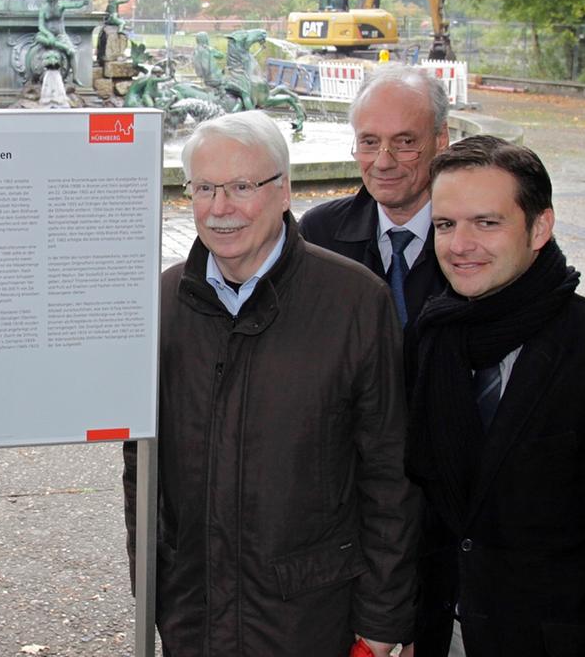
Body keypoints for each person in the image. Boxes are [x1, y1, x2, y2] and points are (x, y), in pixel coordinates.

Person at [122, 110, 418, 655]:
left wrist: (381, 622)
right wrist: (154, 589)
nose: (219, 208)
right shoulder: (160, 303)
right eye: (204, 188)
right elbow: (142, 470)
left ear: (283, 191)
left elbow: (390, 475)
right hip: (195, 613)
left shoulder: (354, 301)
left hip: (308, 617)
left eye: (240, 187)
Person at [407, 135, 585, 656]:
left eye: (486, 223)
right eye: (446, 225)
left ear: (540, 227)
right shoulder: (436, 338)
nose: (459, 244)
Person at [299, 66, 451, 328]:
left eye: (404, 142)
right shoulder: (318, 235)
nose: (383, 162)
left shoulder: (473, 241)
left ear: (441, 140)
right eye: (369, 142)